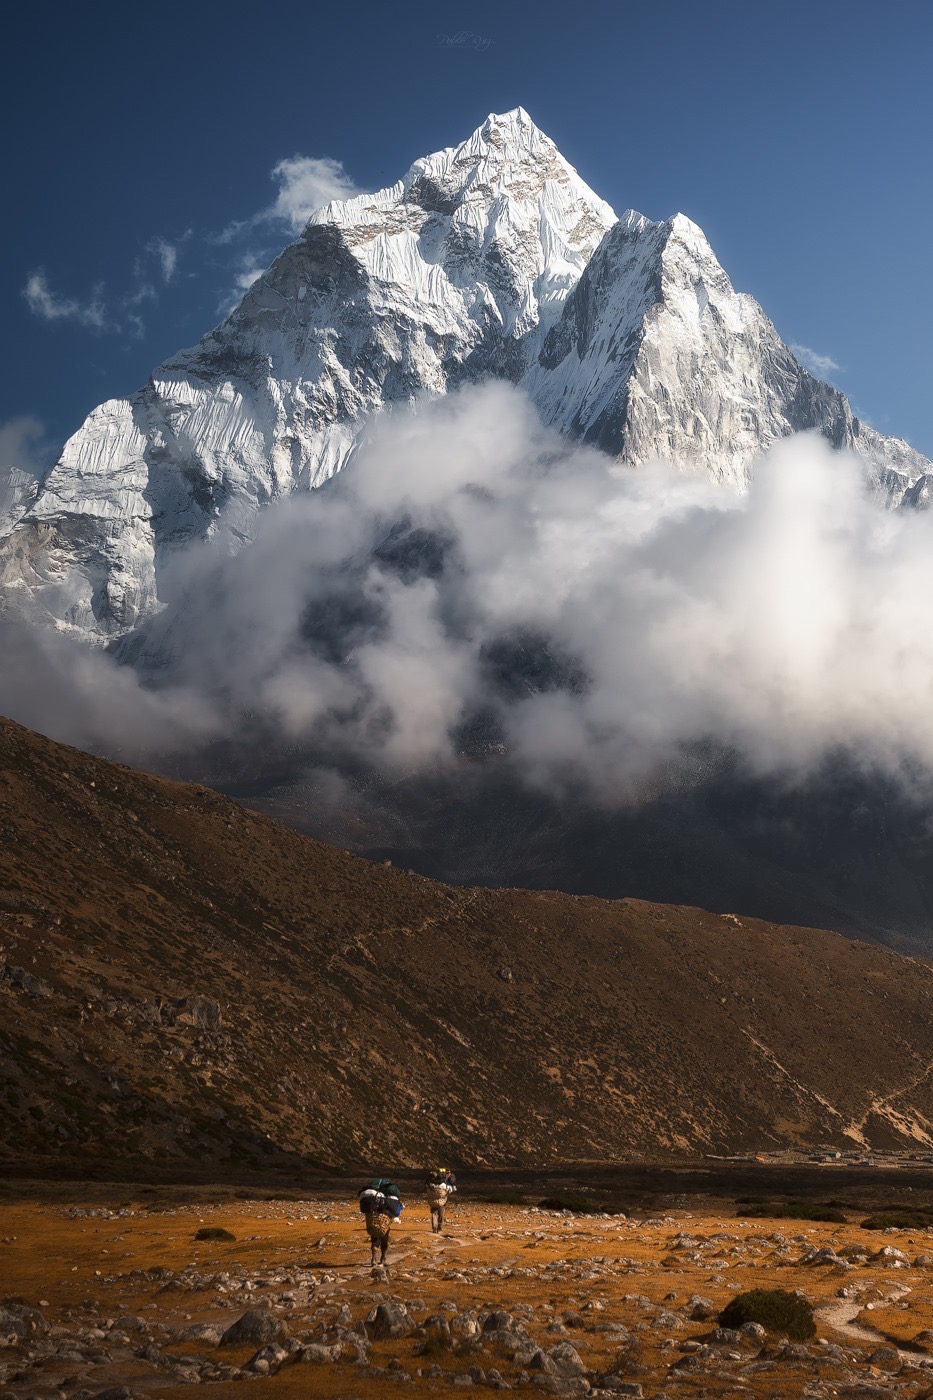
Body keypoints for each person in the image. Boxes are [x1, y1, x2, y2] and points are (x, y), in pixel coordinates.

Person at [359, 1177, 403, 1266]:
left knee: (374, 1238)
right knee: (384, 1238)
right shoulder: (387, 1198)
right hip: (383, 1221)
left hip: (372, 1219)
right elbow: (393, 1210)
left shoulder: (372, 1197)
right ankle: (383, 1258)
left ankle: (373, 1257)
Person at [424, 1166, 456, 1233]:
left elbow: (426, 1191)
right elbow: (450, 1191)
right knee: (441, 1214)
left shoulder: (429, 1184)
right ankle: (439, 1228)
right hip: (442, 1202)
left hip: (432, 1201)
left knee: (434, 1214)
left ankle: (434, 1227)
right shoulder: (444, 1185)